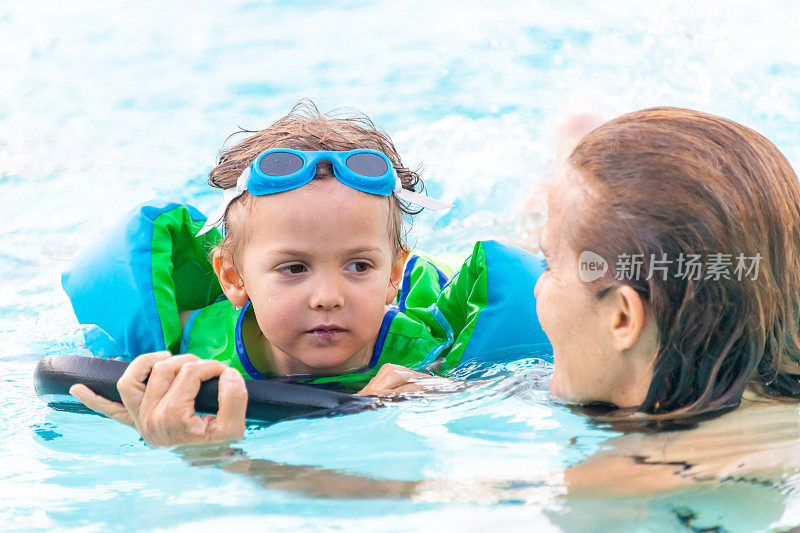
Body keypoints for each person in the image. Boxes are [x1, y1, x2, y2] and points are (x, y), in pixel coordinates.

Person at [65, 102, 551, 446]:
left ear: (392, 276)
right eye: (293, 268)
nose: (328, 296)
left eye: (359, 266)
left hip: (429, 289)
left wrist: (430, 400)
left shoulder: (426, 353)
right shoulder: (188, 348)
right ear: (232, 278)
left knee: (533, 233)